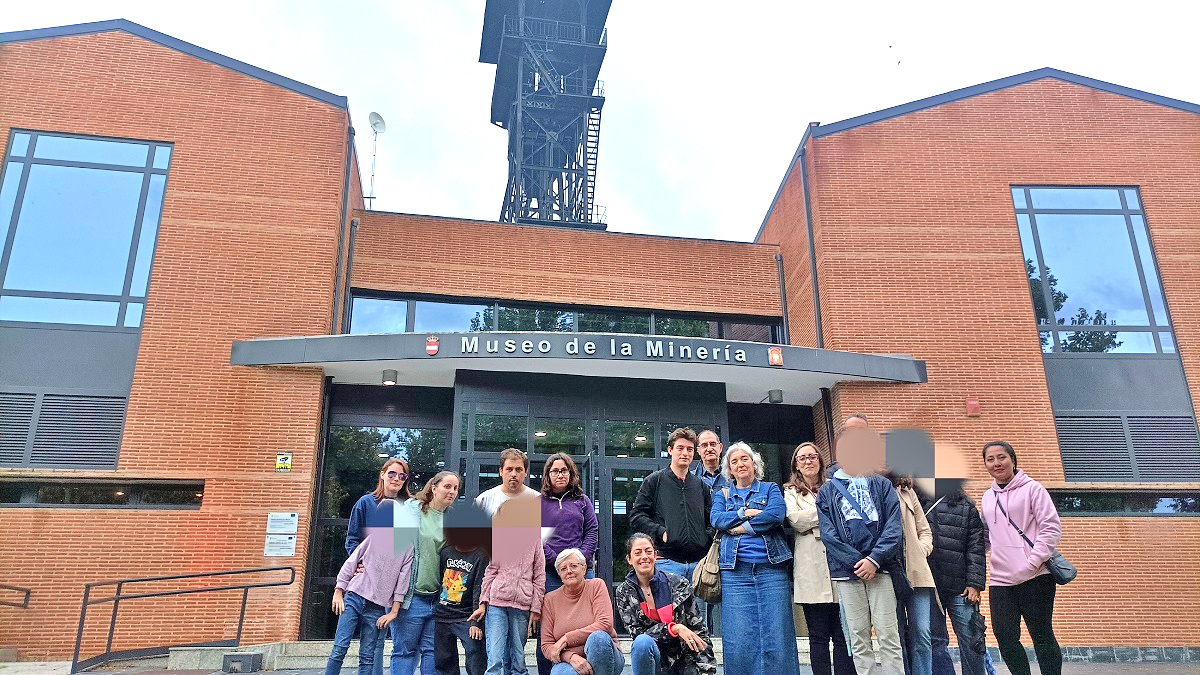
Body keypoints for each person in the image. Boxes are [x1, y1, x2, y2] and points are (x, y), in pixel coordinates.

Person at [816, 428, 905, 675]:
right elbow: (829, 534)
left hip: (882, 569)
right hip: (847, 572)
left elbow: (893, 527)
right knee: (857, 635)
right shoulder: (827, 490)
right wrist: (859, 562)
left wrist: (875, 559)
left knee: (888, 633)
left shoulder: (882, 484)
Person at [710, 442, 801, 675]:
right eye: (734, 461)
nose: (740, 464)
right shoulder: (722, 494)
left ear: (754, 463)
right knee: (739, 635)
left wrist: (740, 527)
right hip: (735, 571)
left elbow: (775, 515)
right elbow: (717, 520)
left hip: (771, 568)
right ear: (729, 469)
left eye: (745, 459)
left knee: (778, 631)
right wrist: (742, 512)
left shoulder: (770, 489)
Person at [981, 441, 1063, 675]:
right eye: (990, 459)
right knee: (1005, 638)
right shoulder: (987, 497)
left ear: (1013, 460)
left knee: (1041, 634)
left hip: (1035, 575)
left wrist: (1032, 562)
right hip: (1001, 580)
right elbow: (987, 537)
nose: (996, 463)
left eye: (1001, 457)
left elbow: (1051, 528)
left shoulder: (1033, 489)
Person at [783, 443, 855, 675]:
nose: (808, 461)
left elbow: (848, 518)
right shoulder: (789, 492)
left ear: (820, 461)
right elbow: (796, 520)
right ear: (796, 464)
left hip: (841, 567)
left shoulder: (837, 486)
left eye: (812, 457)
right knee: (818, 636)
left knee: (844, 634)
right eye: (802, 458)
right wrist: (827, 514)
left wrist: (817, 523)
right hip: (810, 571)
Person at [326, 500, 414, 675]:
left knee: (367, 656)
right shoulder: (373, 538)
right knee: (339, 648)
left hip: (377, 608)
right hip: (354, 597)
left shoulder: (407, 547)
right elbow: (351, 563)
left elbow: (402, 583)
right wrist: (339, 590)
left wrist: (394, 611)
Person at [615, 533, 716, 675]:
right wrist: (673, 629)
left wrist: (707, 669)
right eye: (638, 553)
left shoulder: (679, 584)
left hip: (684, 661)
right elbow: (637, 634)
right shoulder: (624, 592)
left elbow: (699, 631)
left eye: (648, 551)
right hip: (653, 661)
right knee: (642, 642)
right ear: (629, 559)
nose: (644, 556)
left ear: (655, 556)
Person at [392, 471, 460, 675]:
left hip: (437, 599)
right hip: (411, 597)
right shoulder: (413, 511)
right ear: (434, 487)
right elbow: (391, 547)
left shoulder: (452, 520)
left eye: (456, 488)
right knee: (405, 651)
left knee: (432, 652)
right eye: (447, 486)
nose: (452, 492)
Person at [538, 453, 599, 675]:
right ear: (548, 475)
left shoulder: (583, 501)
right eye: (555, 471)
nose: (560, 475)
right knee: (550, 630)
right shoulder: (539, 503)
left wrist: (579, 560)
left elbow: (592, 530)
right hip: (552, 575)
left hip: (583, 571)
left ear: (571, 473)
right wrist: (559, 562)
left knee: (588, 626)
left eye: (564, 470)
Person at [922, 487, 994, 675]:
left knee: (972, 640)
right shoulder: (917, 502)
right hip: (929, 586)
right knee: (936, 641)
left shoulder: (966, 505)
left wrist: (975, 583)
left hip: (961, 588)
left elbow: (975, 547)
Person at [472, 496, 546, 675]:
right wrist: (483, 602)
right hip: (497, 603)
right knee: (495, 657)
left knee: (518, 659)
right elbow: (490, 572)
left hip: (522, 605)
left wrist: (536, 608)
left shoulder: (534, 541)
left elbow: (539, 575)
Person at [630, 428, 713, 583]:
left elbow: (712, 520)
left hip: (700, 565)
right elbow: (637, 516)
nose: (685, 453)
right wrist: (660, 532)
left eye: (689, 449)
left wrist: (704, 538)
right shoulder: (654, 481)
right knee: (668, 608)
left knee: (698, 609)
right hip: (667, 563)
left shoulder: (702, 486)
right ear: (670, 450)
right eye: (680, 448)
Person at [539, 549, 624, 675]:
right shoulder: (550, 600)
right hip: (570, 662)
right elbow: (547, 646)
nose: (569, 571)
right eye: (563, 569)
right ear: (560, 575)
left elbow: (605, 623)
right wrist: (571, 657)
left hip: (606, 657)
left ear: (584, 569)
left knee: (598, 638)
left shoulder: (596, 586)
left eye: (573, 566)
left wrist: (566, 639)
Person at [888, 473, 936, 675]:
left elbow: (924, 530)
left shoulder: (907, 491)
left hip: (916, 570)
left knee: (922, 632)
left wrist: (920, 549)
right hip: (887, 572)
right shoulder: (869, 489)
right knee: (894, 635)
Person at [434, 512, 489, 675]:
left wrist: (476, 623)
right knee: (444, 661)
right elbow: (440, 581)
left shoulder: (481, 555)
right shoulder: (446, 552)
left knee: (475, 658)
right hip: (443, 615)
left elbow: (479, 588)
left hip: (467, 617)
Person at [690, 429, 725, 635]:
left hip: (730, 544)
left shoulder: (733, 477)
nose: (709, 448)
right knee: (700, 605)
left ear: (720, 448)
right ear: (698, 451)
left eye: (713, 444)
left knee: (726, 604)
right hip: (701, 548)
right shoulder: (691, 481)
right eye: (704, 445)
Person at [347, 457, 411, 555]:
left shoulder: (409, 506)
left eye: (402, 476)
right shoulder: (365, 503)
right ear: (382, 475)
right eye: (392, 474)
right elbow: (352, 540)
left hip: (399, 567)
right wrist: (358, 561)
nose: (396, 479)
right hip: (369, 566)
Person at [476, 448, 541, 517]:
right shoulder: (484, 500)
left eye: (518, 469)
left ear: (526, 472)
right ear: (501, 471)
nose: (513, 474)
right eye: (509, 469)